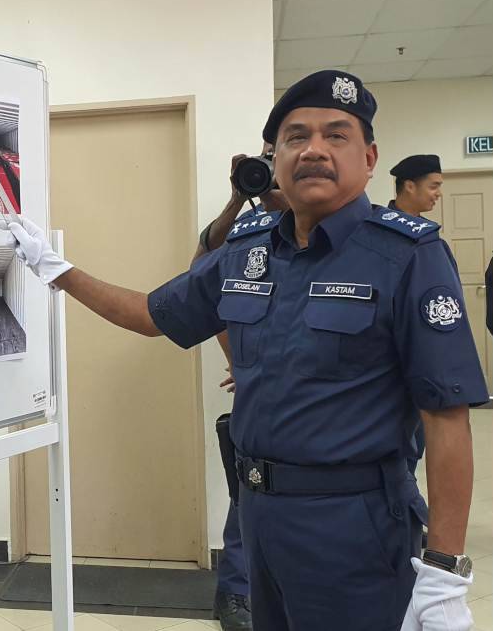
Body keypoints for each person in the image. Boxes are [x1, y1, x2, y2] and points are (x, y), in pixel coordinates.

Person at [1, 70, 487, 630]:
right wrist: (55, 268)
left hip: (354, 524)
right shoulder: (248, 250)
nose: (314, 150)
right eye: (296, 137)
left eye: (336, 135)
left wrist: (444, 575)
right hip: (259, 517)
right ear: (274, 158)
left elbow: (447, 416)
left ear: (370, 156)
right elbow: (151, 314)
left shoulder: (407, 255)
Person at [195, 148, 290, 631]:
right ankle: (236, 592)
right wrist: (238, 198)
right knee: (249, 489)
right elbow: (201, 280)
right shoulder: (249, 232)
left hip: (318, 397)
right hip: (261, 397)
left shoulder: (336, 227)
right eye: (270, 162)